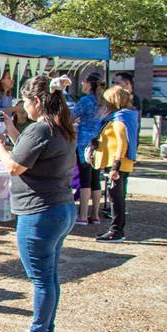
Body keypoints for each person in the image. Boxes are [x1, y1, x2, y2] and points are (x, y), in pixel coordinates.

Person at [0, 75, 76, 332]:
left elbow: (15, 166)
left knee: (40, 278)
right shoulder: (60, 127)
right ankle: (46, 329)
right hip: (61, 208)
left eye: (25, 102)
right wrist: (13, 131)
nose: (24, 107)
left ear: (37, 101)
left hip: (40, 212)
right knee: (49, 275)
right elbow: (30, 152)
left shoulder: (41, 129)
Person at [90, 86, 139, 243]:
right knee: (116, 197)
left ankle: (116, 231)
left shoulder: (119, 119)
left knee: (116, 198)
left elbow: (121, 143)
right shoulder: (121, 116)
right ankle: (116, 230)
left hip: (117, 164)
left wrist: (116, 167)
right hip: (118, 163)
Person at [71, 72, 106, 225]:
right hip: (99, 142)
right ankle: (95, 214)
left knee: (85, 179)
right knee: (95, 179)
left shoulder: (86, 101)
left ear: (89, 84)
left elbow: (71, 116)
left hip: (84, 143)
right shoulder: (103, 101)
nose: (82, 84)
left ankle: (83, 214)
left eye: (84, 82)